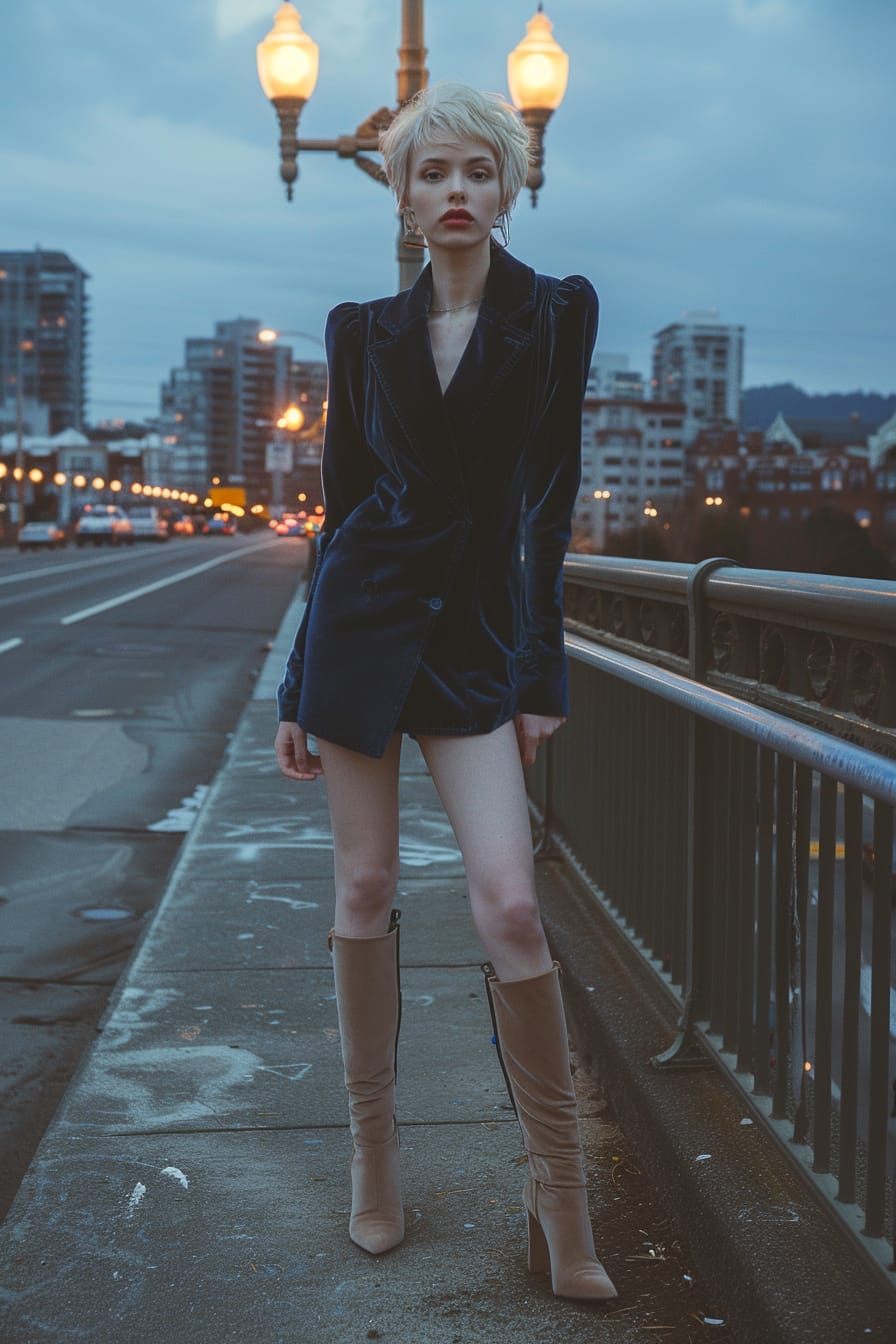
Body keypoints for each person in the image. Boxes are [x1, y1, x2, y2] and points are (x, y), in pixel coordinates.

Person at [274, 81, 616, 1303]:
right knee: (361, 885)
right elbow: (342, 509)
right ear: (402, 197)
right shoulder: (361, 329)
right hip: (362, 635)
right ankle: (377, 1167)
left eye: (477, 171)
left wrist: (540, 670)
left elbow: (547, 500)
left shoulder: (554, 314)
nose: (454, 191)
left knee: (509, 905)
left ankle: (557, 1203)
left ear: (506, 188)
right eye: (432, 175)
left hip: (476, 642)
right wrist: (296, 684)